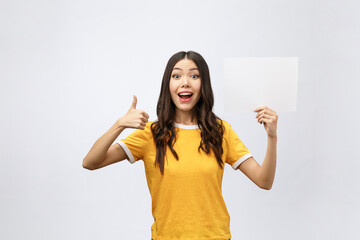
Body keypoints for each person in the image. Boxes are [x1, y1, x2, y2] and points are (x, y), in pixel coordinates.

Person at [82, 51, 278, 240]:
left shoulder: (220, 131)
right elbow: (90, 162)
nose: (185, 82)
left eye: (194, 75)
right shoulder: (151, 133)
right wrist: (119, 124)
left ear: (204, 85)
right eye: (176, 76)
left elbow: (264, 181)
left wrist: (272, 137)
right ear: (168, 85)